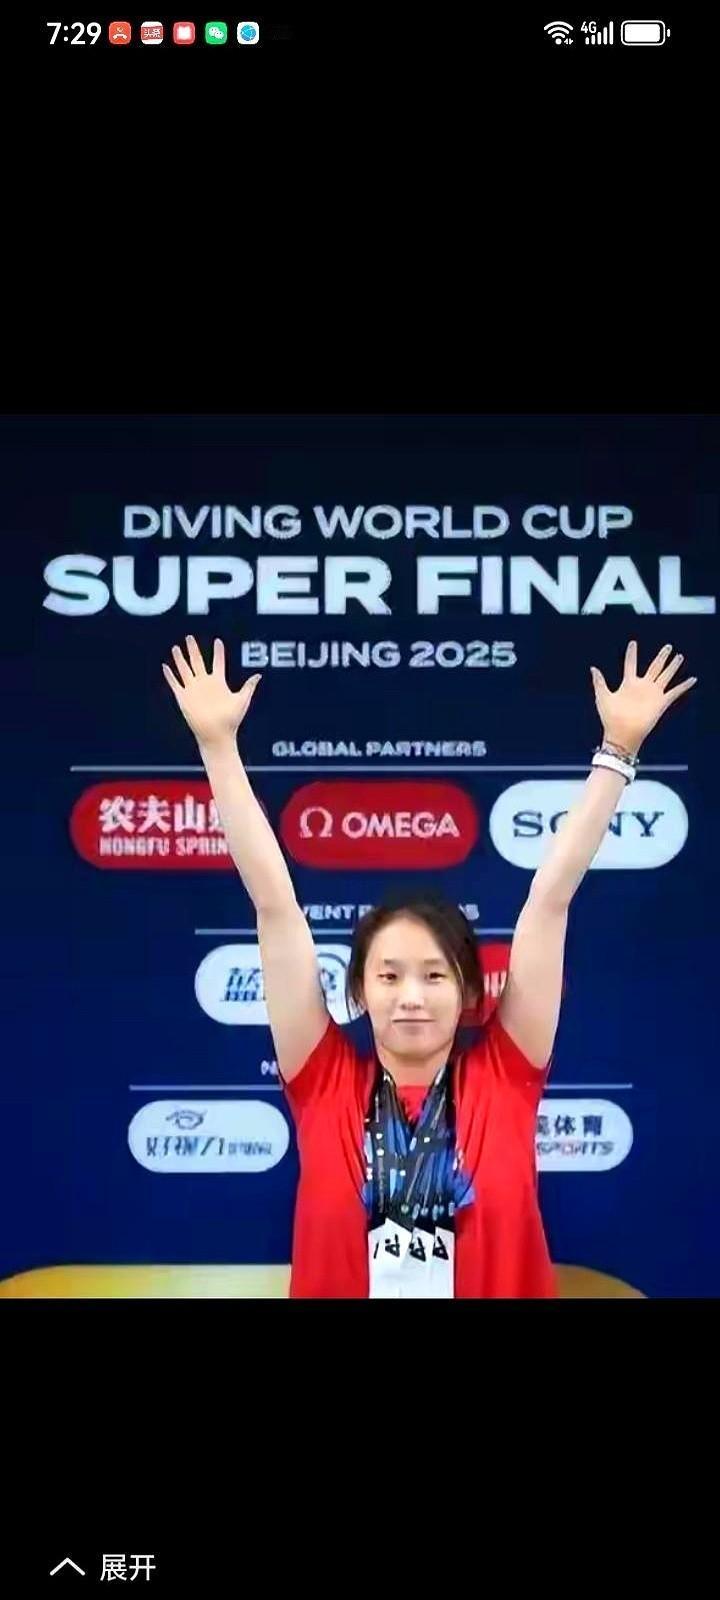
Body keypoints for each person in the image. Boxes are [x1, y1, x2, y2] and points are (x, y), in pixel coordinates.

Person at [163, 636, 697, 1298]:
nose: (410, 995)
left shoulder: (507, 1076)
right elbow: (275, 906)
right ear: (360, 990)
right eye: (389, 976)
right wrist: (217, 745)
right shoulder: (322, 1082)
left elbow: (550, 899)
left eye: (434, 975)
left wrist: (617, 750)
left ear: (469, 990)